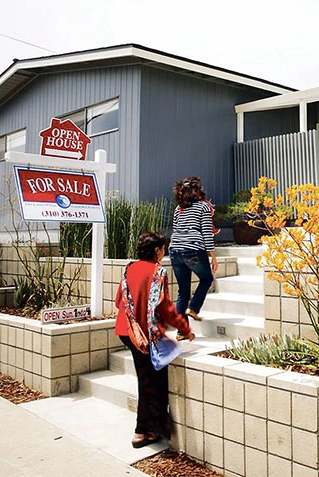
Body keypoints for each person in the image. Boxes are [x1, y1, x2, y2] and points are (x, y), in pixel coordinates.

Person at [114, 231, 194, 449]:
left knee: (152, 378)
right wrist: (185, 328)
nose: (164, 253)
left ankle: (154, 428)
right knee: (149, 381)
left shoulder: (129, 268)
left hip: (127, 331)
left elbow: (118, 301)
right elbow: (166, 308)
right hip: (144, 336)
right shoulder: (158, 272)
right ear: (157, 250)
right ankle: (142, 431)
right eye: (163, 249)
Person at [169, 176, 217, 325]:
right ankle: (194, 308)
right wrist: (213, 257)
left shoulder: (179, 209)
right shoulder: (203, 207)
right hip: (193, 249)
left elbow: (175, 229)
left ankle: (182, 331)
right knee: (207, 278)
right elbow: (207, 232)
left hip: (175, 251)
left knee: (183, 291)